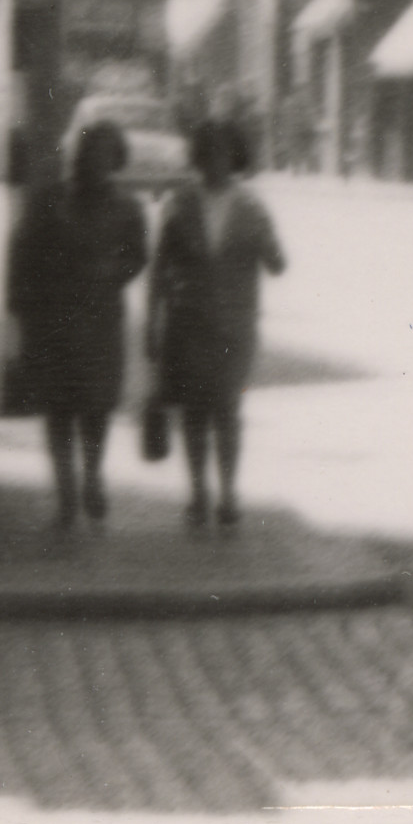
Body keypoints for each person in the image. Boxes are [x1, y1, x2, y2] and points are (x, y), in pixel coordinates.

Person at [2, 119, 149, 527]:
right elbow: (21, 253)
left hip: (100, 321)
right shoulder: (49, 200)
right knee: (58, 409)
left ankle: (93, 477)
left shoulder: (127, 207)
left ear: (116, 159)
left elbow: (138, 255)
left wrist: (114, 270)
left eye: (106, 155)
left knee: (97, 407)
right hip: (52, 320)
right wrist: (19, 310)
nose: (96, 163)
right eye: (90, 154)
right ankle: (66, 494)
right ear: (77, 156)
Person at [145, 118, 289, 528]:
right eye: (208, 154)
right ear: (198, 158)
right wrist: (151, 326)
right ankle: (197, 494)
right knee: (193, 412)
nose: (216, 163)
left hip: (235, 328)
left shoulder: (252, 207)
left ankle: (227, 493)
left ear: (235, 157)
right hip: (187, 325)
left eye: (224, 154)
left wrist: (266, 240)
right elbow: (159, 270)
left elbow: (277, 265)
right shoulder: (178, 204)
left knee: (227, 409)